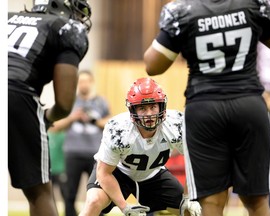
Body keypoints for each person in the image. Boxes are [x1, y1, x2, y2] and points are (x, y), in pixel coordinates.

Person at [143, 1, 270, 216]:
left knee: (211, 203)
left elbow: (152, 65)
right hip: (248, 103)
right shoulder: (251, 4)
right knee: (257, 202)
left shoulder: (184, 11)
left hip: (204, 107)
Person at [8, 0, 91, 215]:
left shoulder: (6, 18)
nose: (79, 19)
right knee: (39, 193)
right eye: (77, 12)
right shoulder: (65, 28)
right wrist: (46, 117)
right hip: (16, 93)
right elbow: (64, 105)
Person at [78, 77, 201, 216]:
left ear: (162, 106)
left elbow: (196, 160)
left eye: (153, 107)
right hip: (118, 172)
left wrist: (187, 196)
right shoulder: (119, 130)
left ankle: (159, 208)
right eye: (142, 108)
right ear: (133, 110)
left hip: (153, 173)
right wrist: (124, 207)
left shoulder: (175, 124)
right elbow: (104, 173)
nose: (149, 114)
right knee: (93, 201)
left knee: (191, 210)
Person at [54, 70, 111, 216]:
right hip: (73, 153)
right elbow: (55, 126)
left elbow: (110, 124)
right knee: (69, 194)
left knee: (99, 192)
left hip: (96, 155)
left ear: (91, 83)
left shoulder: (101, 102)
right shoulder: (70, 102)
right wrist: (72, 117)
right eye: (81, 81)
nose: (83, 84)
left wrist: (94, 121)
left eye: (86, 81)